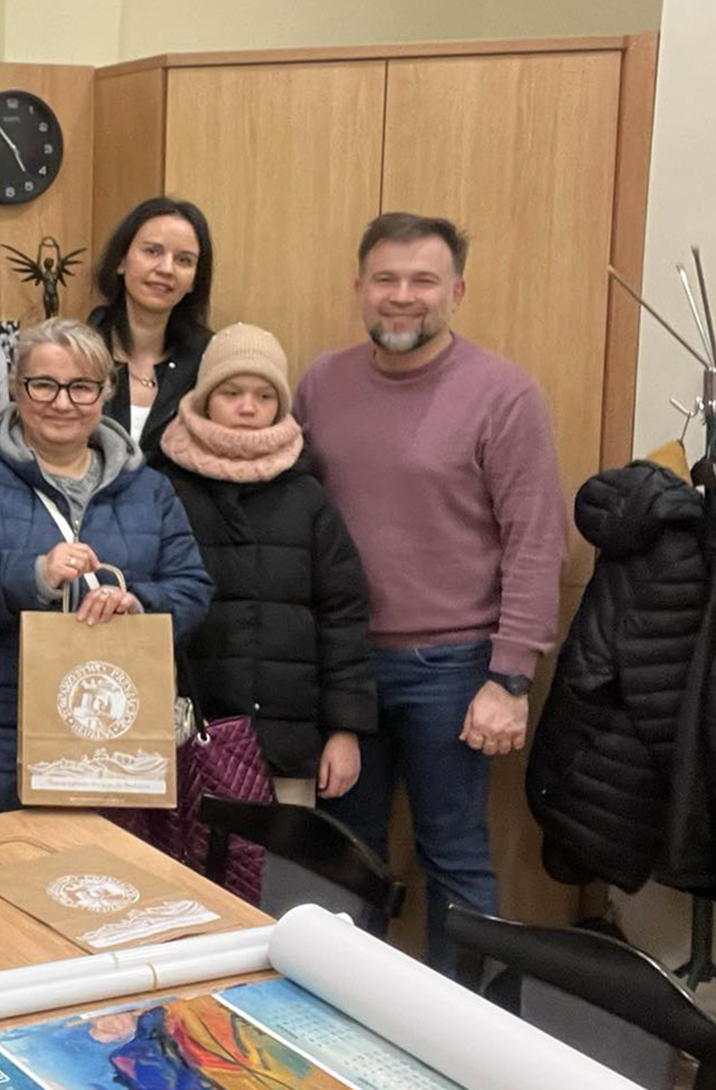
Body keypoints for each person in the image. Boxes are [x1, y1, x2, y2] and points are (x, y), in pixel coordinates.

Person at [295, 212, 565, 975]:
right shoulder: (320, 383)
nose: (403, 295)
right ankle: (347, 1009)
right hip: (342, 665)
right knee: (343, 857)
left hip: (453, 668)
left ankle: (461, 1025)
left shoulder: (504, 395)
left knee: (454, 855)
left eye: (423, 280)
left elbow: (536, 540)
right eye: (386, 279)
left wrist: (510, 678)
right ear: (360, 287)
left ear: (457, 290)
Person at [0, 316, 212, 820]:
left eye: (81, 387)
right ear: (16, 388)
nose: (63, 402)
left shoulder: (150, 490)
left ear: (106, 393)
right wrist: (30, 577)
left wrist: (138, 604)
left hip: (113, 741)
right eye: (44, 384)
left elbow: (192, 589)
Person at [154, 323, 376, 804]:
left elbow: (342, 616)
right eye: (231, 392)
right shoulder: (162, 488)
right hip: (181, 744)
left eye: (264, 395)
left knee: (281, 856)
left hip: (285, 749)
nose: (248, 408)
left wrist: (345, 729)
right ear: (205, 398)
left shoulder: (307, 496)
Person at [87, 197, 215, 462]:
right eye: (152, 252)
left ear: (194, 280)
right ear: (121, 261)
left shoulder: (211, 361)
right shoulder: (77, 352)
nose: (166, 269)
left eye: (184, 260)